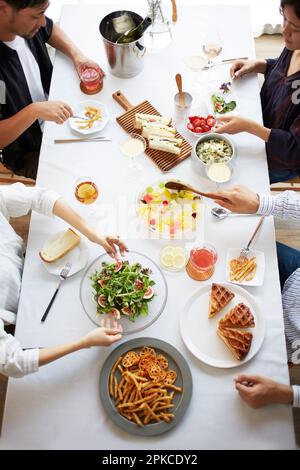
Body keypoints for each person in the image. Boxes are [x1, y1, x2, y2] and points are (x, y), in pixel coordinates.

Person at [0, 182, 127, 377]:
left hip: (30, 270)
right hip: (18, 314)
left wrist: (93, 235)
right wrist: (85, 342)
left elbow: (41, 197)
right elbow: (12, 362)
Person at [213, 184, 300, 408]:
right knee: (222, 239)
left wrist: (287, 394)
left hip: (290, 338)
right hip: (296, 273)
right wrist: (262, 203)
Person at [0, 0, 105, 178]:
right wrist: (34, 111)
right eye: (36, 15)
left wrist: (77, 55)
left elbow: (49, 28)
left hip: (57, 112)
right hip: (30, 150)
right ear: (3, 9)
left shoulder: (24, 26)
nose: (42, 22)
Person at [215, 0, 300, 184]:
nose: (285, 31)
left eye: (295, 28)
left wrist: (248, 127)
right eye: (284, 19)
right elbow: (281, 68)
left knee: (226, 177)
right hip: (257, 121)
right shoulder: (294, 46)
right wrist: (259, 65)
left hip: (276, 159)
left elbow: (294, 150)